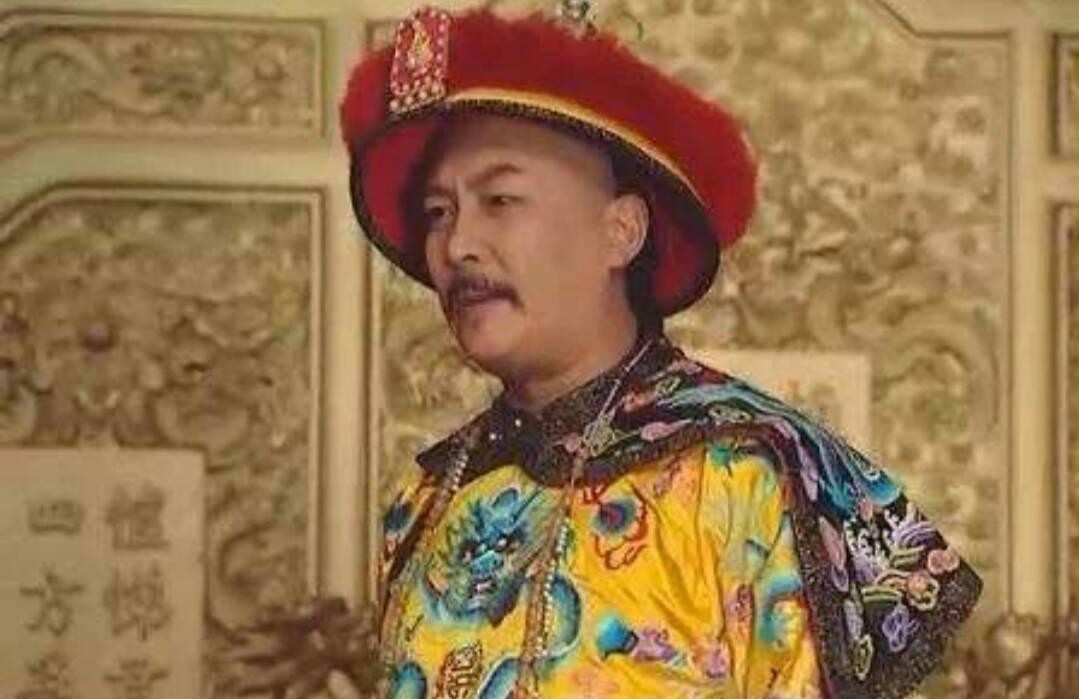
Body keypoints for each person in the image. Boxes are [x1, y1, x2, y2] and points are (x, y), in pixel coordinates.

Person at [229, 4, 981, 698]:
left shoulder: (750, 468)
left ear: (621, 231)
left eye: (500, 200)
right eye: (437, 211)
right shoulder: (427, 496)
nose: (457, 245)